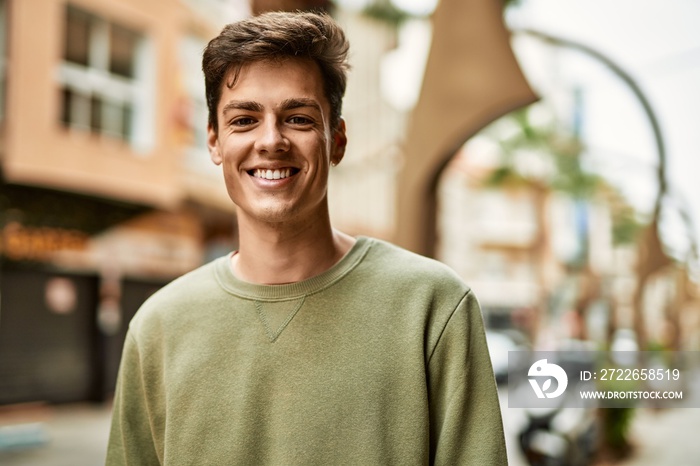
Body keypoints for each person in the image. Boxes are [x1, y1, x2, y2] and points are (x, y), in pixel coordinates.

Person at [106, 11, 507, 466]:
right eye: (244, 120)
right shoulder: (158, 327)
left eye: (297, 118)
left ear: (336, 139)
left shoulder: (433, 307)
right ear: (214, 141)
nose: (271, 140)